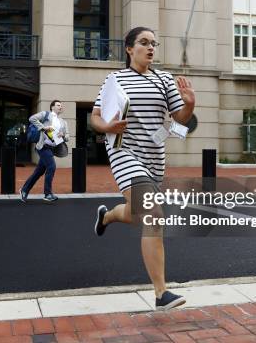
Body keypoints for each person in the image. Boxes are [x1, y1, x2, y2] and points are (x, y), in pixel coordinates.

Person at [90, 27, 196, 310]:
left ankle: (107, 216)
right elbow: (96, 117)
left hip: (154, 156)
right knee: (152, 213)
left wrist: (189, 104)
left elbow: (180, 118)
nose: (150, 48)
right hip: (123, 151)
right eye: (144, 43)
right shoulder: (115, 79)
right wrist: (108, 127)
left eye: (153, 44)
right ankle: (162, 293)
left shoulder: (163, 79)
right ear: (129, 48)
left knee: (140, 211)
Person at [20, 100, 70, 202]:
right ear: (52, 107)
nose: (60, 107)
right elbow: (32, 118)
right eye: (58, 105)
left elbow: (68, 137)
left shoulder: (63, 122)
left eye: (61, 106)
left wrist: (63, 135)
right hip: (43, 147)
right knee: (51, 166)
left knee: (39, 171)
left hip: (52, 149)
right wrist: (43, 128)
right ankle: (47, 194)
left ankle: (24, 190)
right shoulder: (46, 114)